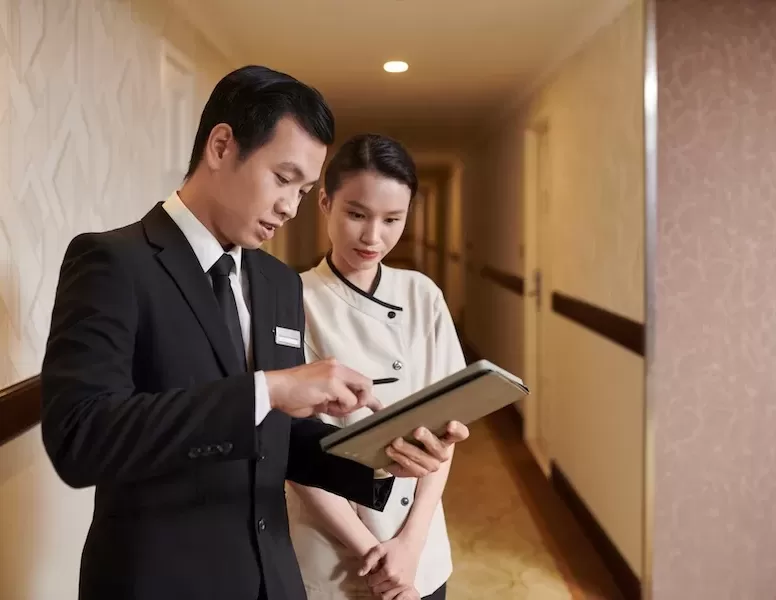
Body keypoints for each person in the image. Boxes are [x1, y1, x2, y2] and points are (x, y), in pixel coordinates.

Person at [39, 66, 470, 600]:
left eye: (305, 188)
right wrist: (270, 390)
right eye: (283, 178)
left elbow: (275, 442)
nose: (291, 206)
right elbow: (81, 438)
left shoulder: (275, 281)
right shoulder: (113, 261)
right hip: (161, 582)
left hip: (274, 581)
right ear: (222, 146)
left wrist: (381, 456)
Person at [285, 134, 465, 600]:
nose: (373, 237)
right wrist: (373, 553)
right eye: (356, 214)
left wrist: (409, 546)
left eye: (392, 219)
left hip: (419, 550)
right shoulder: (289, 300)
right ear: (324, 202)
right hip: (330, 553)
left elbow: (445, 431)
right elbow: (287, 447)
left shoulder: (423, 296)